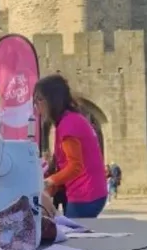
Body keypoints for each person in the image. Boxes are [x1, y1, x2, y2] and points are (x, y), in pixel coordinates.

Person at [34, 74, 107, 218]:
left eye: (39, 100)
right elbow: (64, 163)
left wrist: (48, 182)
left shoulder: (69, 125)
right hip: (88, 192)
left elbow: (75, 166)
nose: (37, 107)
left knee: (74, 236)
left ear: (52, 100)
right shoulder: (69, 120)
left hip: (85, 195)